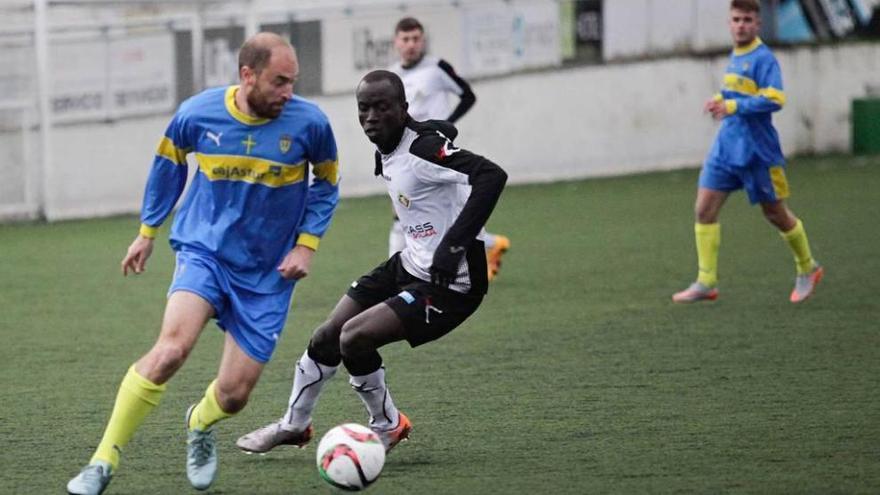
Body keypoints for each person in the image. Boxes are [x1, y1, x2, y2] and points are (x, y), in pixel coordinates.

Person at [66, 32, 340, 495]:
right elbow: (167, 166)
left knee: (234, 396)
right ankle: (102, 461)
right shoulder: (198, 113)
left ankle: (199, 422)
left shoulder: (310, 124)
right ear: (247, 75)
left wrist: (306, 245)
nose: (288, 92)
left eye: (292, 82)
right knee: (171, 349)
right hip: (204, 251)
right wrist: (147, 232)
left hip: (268, 274)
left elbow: (327, 185)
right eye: (278, 81)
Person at [235, 70, 507, 457]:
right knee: (327, 335)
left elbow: (491, 176)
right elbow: (437, 131)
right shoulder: (392, 142)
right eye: (364, 109)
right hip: (409, 265)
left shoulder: (422, 150)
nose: (371, 117)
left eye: (382, 108)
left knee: (354, 338)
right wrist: (438, 128)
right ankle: (293, 425)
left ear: (402, 109)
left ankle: (388, 426)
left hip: (452, 284)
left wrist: (453, 245)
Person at [672, 0, 823, 304]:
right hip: (726, 147)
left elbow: (775, 98)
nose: (740, 25)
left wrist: (733, 106)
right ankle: (706, 281)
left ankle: (808, 267)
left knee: (775, 213)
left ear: (758, 24)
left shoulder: (763, 58)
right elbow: (735, 92)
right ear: (729, 23)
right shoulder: (735, 54)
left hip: (757, 151)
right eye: (736, 19)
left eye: (747, 20)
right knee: (703, 210)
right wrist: (719, 99)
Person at [387, 16, 510, 281]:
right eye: (406, 39)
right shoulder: (392, 75)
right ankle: (490, 244)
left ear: (423, 41)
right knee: (411, 214)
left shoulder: (437, 68)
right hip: (406, 153)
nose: (411, 45)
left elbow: (468, 95)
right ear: (396, 43)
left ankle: (398, 274)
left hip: (436, 154)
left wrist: (447, 124)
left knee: (438, 214)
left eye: (416, 39)